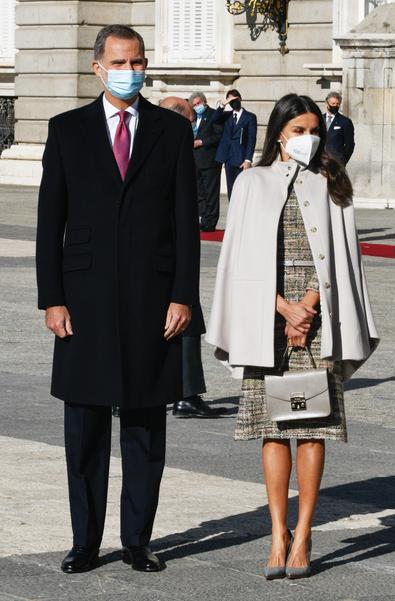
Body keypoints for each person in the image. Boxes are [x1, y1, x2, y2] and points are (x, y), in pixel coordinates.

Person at [36, 25, 200, 574]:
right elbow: (50, 222)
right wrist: (52, 298)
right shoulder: (67, 130)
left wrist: (183, 295)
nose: (130, 70)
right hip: (83, 301)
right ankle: (85, 541)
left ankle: (137, 540)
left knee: (145, 427)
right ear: (98, 68)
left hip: (153, 299)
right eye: (119, 61)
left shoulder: (171, 131)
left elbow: (185, 222)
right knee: (84, 427)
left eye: (137, 61)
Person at [206, 94, 378, 580]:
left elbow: (341, 257)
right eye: (299, 130)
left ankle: (303, 533)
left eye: (314, 130)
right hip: (266, 317)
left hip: (317, 316)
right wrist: (281, 307)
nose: (309, 138)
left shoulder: (332, 180)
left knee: (312, 425)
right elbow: (240, 258)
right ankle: (277, 533)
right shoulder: (250, 182)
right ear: (279, 132)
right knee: (274, 428)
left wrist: (307, 308)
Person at [159, 96, 227, 418]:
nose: (193, 128)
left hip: (159, 254)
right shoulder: (173, 153)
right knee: (187, 321)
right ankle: (186, 394)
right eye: (190, 122)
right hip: (171, 254)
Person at [212, 89, 257, 199]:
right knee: (231, 189)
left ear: (240, 99)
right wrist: (223, 104)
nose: (233, 103)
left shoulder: (250, 117)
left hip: (241, 159)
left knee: (241, 189)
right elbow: (213, 119)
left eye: (235, 99)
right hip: (228, 158)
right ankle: (232, 209)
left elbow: (251, 139)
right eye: (231, 101)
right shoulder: (226, 115)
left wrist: (248, 160)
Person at [188, 92, 223, 232]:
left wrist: (201, 142)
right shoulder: (193, 117)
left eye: (198, 103)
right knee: (199, 192)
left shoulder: (214, 115)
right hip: (195, 160)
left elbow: (219, 136)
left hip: (210, 161)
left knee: (211, 193)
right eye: (194, 105)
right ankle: (203, 219)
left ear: (204, 101)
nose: (197, 106)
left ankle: (211, 222)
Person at [323, 91, 355, 165]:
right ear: (327, 103)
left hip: (336, 162)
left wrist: (343, 161)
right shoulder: (319, 119)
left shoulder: (345, 121)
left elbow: (350, 144)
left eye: (337, 104)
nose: (335, 106)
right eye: (333, 103)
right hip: (320, 161)